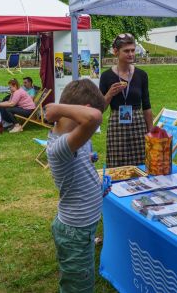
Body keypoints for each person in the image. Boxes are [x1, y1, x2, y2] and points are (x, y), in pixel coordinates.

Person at [45, 79, 106, 293]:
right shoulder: (59, 147)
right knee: (78, 287)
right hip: (75, 231)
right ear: (84, 112)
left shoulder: (76, 137)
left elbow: (93, 116)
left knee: (82, 280)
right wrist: (57, 108)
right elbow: (95, 117)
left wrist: (97, 188)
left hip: (82, 227)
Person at [99, 33, 153, 168]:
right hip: (117, 122)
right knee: (117, 164)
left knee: (140, 161)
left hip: (138, 123)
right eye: (126, 51)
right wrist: (110, 94)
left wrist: (150, 131)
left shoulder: (141, 75)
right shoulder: (106, 76)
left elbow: (146, 106)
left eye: (133, 50)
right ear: (116, 52)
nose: (131, 54)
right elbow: (101, 108)